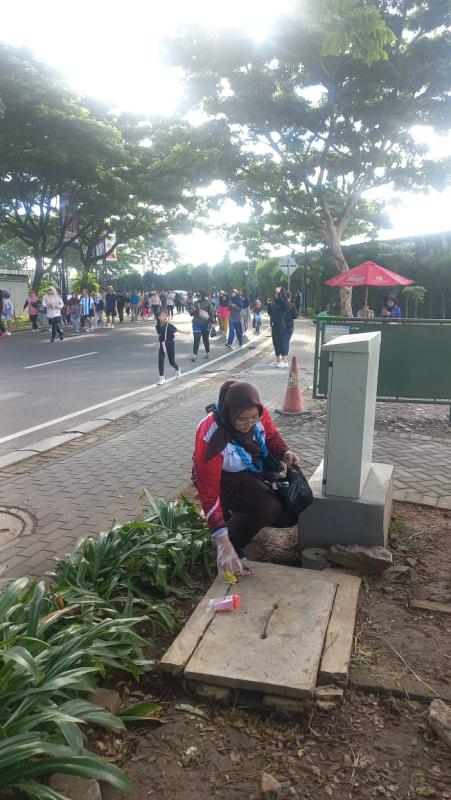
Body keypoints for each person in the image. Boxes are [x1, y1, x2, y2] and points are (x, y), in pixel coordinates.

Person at [193, 380, 301, 580]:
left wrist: (284, 452)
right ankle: (229, 545)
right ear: (230, 412)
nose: (249, 423)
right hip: (222, 478)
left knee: (289, 511)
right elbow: (208, 492)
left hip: (249, 469)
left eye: (253, 418)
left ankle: (233, 518)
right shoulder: (211, 435)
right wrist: (223, 541)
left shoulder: (260, 414)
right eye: (242, 418)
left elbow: (271, 436)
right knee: (268, 507)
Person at [155, 309, 189, 385]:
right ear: (159, 317)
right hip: (163, 344)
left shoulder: (169, 326)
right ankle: (161, 377)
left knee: (171, 362)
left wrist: (186, 332)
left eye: (166, 315)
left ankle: (177, 368)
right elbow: (160, 334)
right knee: (160, 360)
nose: (165, 317)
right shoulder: (157, 326)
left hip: (170, 343)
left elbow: (177, 330)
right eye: (163, 315)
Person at [190, 290, 215, 361]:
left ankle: (207, 352)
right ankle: (194, 355)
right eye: (197, 295)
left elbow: (211, 313)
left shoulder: (208, 303)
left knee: (205, 339)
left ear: (203, 295)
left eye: (199, 295)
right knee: (196, 339)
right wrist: (193, 310)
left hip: (206, 324)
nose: (198, 297)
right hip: (196, 324)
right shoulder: (195, 303)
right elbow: (191, 314)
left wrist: (213, 323)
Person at [267, 287, 288, 367]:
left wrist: (279, 294)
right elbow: (270, 313)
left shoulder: (282, 302)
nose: (275, 294)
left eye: (277, 293)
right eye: (275, 293)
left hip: (280, 325)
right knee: (275, 342)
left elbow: (285, 306)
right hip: (274, 326)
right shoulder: (275, 304)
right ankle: (277, 359)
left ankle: (285, 360)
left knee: (280, 342)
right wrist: (269, 304)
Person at [283, 291, 298, 359]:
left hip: (282, 326)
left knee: (282, 341)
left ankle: (281, 356)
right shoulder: (292, 305)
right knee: (286, 341)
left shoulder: (281, 305)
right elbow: (295, 316)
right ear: (290, 297)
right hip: (289, 326)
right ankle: (284, 356)